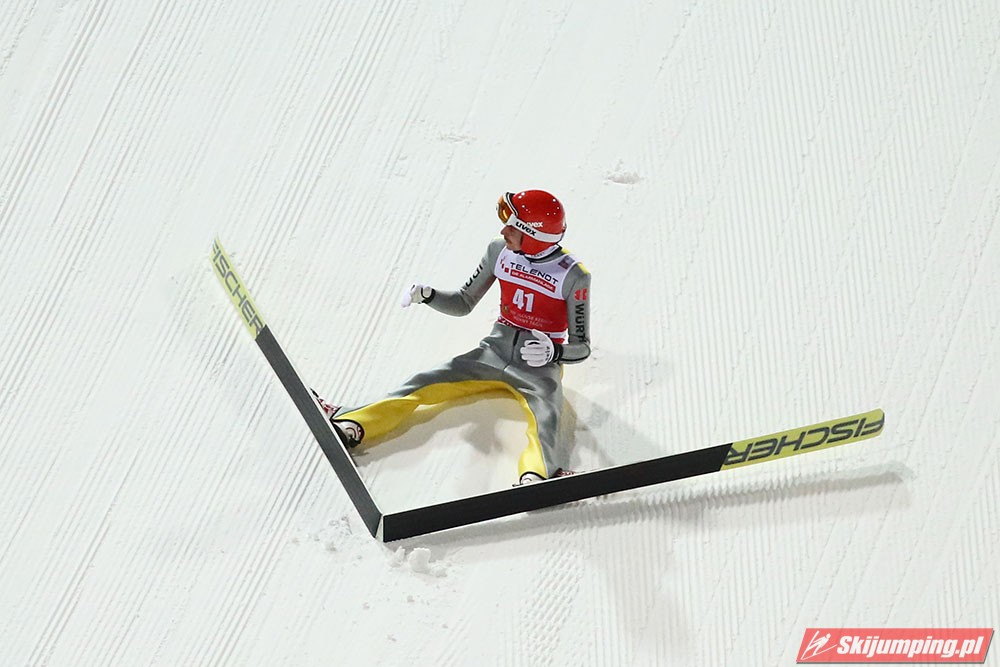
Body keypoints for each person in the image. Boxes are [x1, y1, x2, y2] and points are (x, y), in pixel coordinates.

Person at [314, 189, 592, 485]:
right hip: (494, 350)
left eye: (512, 227)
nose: (503, 231)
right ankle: (354, 422)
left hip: (538, 364)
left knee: (546, 416)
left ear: (533, 235)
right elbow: (463, 302)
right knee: (426, 380)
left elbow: (582, 347)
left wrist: (554, 353)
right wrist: (429, 295)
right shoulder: (499, 251)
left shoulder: (573, 275)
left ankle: (536, 474)